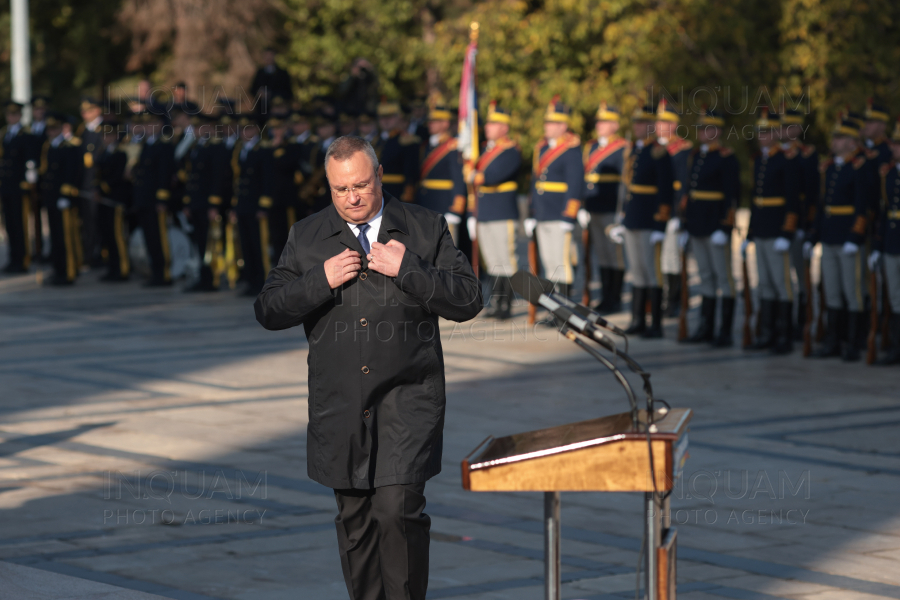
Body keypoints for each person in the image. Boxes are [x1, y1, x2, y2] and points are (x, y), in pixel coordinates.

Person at [254, 135, 481, 600]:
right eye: (340, 190)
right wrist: (319, 280)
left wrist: (410, 269)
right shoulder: (308, 235)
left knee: (398, 512)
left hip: (407, 401)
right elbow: (269, 310)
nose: (352, 198)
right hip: (340, 406)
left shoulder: (423, 226)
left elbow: (468, 300)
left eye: (360, 185)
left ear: (379, 175)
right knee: (355, 524)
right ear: (328, 186)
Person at [806, 117, 870, 361]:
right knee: (831, 291)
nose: (835, 141)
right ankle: (833, 340)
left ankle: (853, 343)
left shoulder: (859, 167)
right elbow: (824, 205)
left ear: (853, 142)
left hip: (848, 237)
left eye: (840, 137)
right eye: (835, 137)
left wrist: (856, 235)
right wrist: (814, 236)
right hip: (831, 236)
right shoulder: (830, 167)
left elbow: (862, 205)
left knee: (852, 292)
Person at [611, 102, 674, 338]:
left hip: (650, 220)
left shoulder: (658, 151)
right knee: (637, 271)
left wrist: (661, 223)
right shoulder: (634, 151)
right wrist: (623, 217)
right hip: (633, 219)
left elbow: (666, 190)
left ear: (651, 126)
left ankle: (655, 324)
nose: (638, 127)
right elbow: (628, 188)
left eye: (643, 123)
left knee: (652, 272)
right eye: (636, 123)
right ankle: (638, 319)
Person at [681, 108, 740, 346]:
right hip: (697, 224)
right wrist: (685, 224)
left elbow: (732, 195)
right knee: (705, 276)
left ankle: (724, 331)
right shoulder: (696, 155)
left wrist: (725, 227)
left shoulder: (726, 157)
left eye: (708, 128)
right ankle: (705, 327)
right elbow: (690, 193)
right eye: (701, 128)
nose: (703, 132)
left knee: (723, 278)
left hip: (715, 224)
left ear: (717, 131)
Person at [744, 109, 800, 354]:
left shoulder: (786, 159)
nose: (762, 136)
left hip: (778, 230)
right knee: (765, 283)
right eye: (760, 132)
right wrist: (749, 233)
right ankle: (767, 334)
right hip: (763, 229)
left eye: (767, 132)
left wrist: (787, 233)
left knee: (781, 284)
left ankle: (784, 337)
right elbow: (756, 200)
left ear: (777, 133)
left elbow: (792, 199)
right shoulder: (759, 160)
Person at [525, 97, 583, 299]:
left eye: (552, 123)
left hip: (560, 213)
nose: (547, 127)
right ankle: (553, 306)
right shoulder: (541, 148)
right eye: (546, 122)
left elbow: (575, 184)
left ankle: (563, 308)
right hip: (542, 212)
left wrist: (569, 215)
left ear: (563, 126)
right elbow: (535, 181)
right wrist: (531, 212)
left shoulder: (572, 149)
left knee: (561, 263)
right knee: (548, 262)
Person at [473, 102, 521, 319]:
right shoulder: (483, 149)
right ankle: (495, 302)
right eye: (489, 123)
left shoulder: (511, 150)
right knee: (491, 260)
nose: (488, 127)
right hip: (484, 210)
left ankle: (506, 305)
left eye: (494, 123)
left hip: (502, 210)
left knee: (505, 259)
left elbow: (494, 175)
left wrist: (475, 176)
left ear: (504, 127)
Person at [580, 101, 628, 313]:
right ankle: (605, 297)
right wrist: (582, 205)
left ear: (615, 125)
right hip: (593, 208)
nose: (600, 125)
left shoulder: (622, 148)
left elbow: (624, 182)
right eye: (599, 121)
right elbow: (585, 178)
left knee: (614, 254)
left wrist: (621, 210)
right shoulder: (590, 147)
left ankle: (614, 298)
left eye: (605, 121)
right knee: (601, 254)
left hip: (611, 208)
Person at [779, 108, 819, 339]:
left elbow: (811, 193)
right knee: (782, 279)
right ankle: (783, 324)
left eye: (790, 127)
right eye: (783, 127)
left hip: (799, 222)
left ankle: (803, 322)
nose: (786, 131)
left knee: (801, 279)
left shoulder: (806, 154)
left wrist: (808, 226)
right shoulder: (778, 153)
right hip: (779, 223)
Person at [656, 99, 692, 317]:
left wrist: (679, 214)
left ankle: (673, 301)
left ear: (674, 125)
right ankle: (659, 299)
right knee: (657, 260)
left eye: (666, 123)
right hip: (654, 213)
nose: (662, 126)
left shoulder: (683, 149)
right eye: (659, 122)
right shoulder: (654, 148)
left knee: (671, 259)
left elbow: (684, 185)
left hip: (672, 213)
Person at [131, 109, 175, 286]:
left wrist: (162, 199)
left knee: (159, 238)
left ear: (159, 125)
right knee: (149, 237)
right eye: (145, 124)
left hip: (155, 200)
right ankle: (155, 272)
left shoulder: (164, 144)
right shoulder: (146, 144)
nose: (147, 127)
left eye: (151, 124)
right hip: (144, 199)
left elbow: (164, 174)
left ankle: (163, 273)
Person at [40, 112, 83, 285]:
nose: (51, 132)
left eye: (55, 128)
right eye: (49, 129)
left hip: (63, 199)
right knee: (56, 238)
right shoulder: (50, 147)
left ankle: (69, 272)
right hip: (51, 198)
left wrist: (65, 194)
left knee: (65, 237)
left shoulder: (69, 147)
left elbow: (72, 173)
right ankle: (58, 269)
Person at [871, 119, 900, 365]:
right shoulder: (888, 173)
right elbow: (884, 210)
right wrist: (877, 246)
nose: (894, 148)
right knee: (895, 297)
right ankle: (895, 348)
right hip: (892, 241)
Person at [415, 103, 466, 242]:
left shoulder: (453, 146)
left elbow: (458, 178)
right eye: (430, 121)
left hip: (445, 205)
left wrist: (456, 208)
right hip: (425, 205)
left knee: (447, 252)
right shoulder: (425, 146)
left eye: (435, 121)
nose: (431, 124)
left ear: (445, 123)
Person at [233, 115, 272, 296]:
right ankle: (251, 280)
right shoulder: (240, 148)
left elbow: (267, 179)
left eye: (248, 129)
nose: (245, 133)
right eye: (242, 129)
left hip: (256, 205)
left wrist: (263, 206)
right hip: (243, 205)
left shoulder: (263, 149)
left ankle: (264, 281)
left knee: (259, 245)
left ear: (256, 129)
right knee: (246, 244)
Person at [95, 118, 131, 282]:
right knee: (107, 235)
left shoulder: (120, 153)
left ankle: (122, 268)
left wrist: (102, 188)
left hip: (114, 200)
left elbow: (117, 178)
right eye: (103, 135)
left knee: (117, 236)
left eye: (108, 135)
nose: (105, 138)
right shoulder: (104, 152)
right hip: (103, 201)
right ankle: (111, 267)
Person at [1, 100, 32, 273]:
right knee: (10, 225)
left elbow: (29, 161)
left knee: (20, 225)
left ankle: (22, 260)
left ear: (19, 116)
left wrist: (27, 182)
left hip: (19, 187)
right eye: (9, 114)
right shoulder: (5, 133)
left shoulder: (25, 134)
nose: (11, 117)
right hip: (6, 186)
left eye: (14, 114)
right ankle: (13, 259)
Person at [373, 100, 419, 202]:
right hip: (376, 192)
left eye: (390, 117)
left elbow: (411, 171)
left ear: (399, 118)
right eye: (382, 117)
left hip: (397, 192)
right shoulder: (376, 141)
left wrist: (409, 191)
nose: (386, 121)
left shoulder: (406, 140)